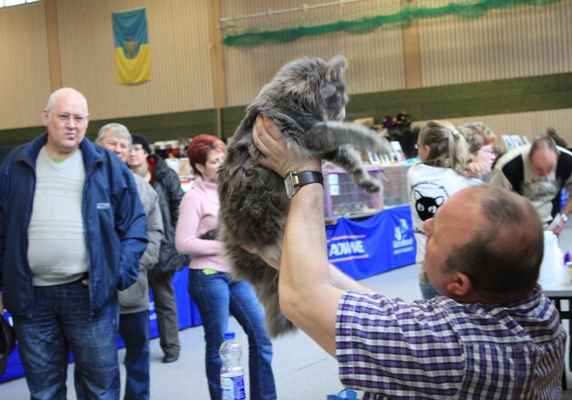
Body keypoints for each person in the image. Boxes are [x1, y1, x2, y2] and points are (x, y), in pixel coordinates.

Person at [251, 115, 566, 399]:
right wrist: (308, 265)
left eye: (437, 233)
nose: (426, 225)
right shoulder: (538, 313)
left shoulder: (458, 353)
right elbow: (394, 316)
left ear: (459, 283)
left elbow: (300, 300)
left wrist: (302, 173)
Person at [0, 88, 148, 399]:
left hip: (89, 296)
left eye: (78, 118)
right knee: (43, 390)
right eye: (63, 116)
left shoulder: (107, 166)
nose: (71, 125)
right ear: (46, 117)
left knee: (100, 387)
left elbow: (134, 226)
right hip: (31, 298)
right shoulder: (16, 165)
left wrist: (114, 274)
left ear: (87, 121)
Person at [175, 134, 276, 400]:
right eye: (215, 161)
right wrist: (227, 244)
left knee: (261, 336)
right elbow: (183, 243)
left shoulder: (233, 190)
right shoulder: (194, 198)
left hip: (236, 274)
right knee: (219, 345)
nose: (223, 166)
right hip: (208, 277)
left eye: (225, 159)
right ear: (199, 166)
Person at [96, 123, 164, 400]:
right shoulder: (86, 182)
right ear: (98, 145)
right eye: (112, 143)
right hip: (93, 291)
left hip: (133, 289)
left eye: (124, 146)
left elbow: (155, 233)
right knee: (97, 362)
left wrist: (132, 266)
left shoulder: (143, 189)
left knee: (138, 355)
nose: (118, 150)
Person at [128, 133, 186, 363]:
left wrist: (173, 238)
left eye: (137, 149)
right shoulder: (119, 177)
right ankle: (137, 350)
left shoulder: (164, 175)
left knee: (164, 300)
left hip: (162, 246)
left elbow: (178, 206)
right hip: (133, 251)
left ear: (145, 153)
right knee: (135, 304)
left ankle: (171, 347)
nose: (132, 153)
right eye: (129, 149)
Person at [408, 121, 481, 299]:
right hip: (461, 273)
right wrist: (472, 168)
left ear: (426, 150)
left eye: (418, 146)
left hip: (428, 271)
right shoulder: (469, 181)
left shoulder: (414, 173)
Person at [489, 136, 572, 237]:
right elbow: (493, 203)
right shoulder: (507, 166)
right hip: (518, 229)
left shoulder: (568, 160)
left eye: (550, 168)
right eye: (539, 169)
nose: (545, 174)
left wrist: (563, 217)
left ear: (558, 156)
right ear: (529, 158)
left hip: (551, 227)